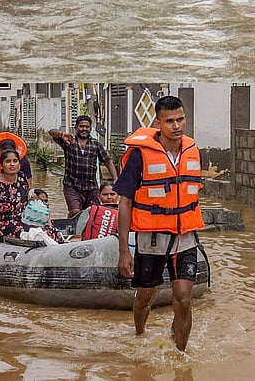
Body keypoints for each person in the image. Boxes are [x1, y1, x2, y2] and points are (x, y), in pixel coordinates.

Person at [114, 95, 203, 352]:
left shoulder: (192, 150)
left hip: (184, 236)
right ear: (158, 123)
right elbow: (125, 203)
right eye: (170, 121)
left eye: (181, 119)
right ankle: (140, 334)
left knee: (184, 299)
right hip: (151, 238)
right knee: (145, 297)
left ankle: (179, 356)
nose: (177, 126)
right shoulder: (140, 156)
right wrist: (123, 250)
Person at [49, 115, 119, 217]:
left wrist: (115, 178)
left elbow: (107, 161)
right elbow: (51, 132)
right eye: (81, 126)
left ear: (90, 129)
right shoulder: (68, 142)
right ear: (76, 128)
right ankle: (71, 229)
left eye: (87, 127)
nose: (84, 129)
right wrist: (61, 134)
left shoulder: (96, 145)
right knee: (75, 212)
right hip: (71, 185)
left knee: (93, 214)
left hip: (91, 187)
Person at [0, 148, 32, 242]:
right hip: (4, 223)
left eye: (15, 161)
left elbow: (29, 200)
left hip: (23, 219)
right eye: (8, 161)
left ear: (19, 164)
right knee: (27, 233)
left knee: (49, 230)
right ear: (1, 165)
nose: (12, 164)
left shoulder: (22, 179)